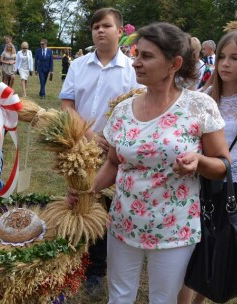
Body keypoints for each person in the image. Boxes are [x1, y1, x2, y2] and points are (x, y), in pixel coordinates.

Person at [73, 22, 229, 303]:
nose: (135, 63)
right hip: (123, 222)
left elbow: (222, 165)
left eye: (146, 56)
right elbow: (112, 163)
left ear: (174, 64)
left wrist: (199, 161)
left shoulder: (198, 106)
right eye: (136, 55)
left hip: (174, 229)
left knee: (163, 299)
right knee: (119, 297)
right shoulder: (122, 109)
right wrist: (88, 189)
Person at [179, 30, 237, 304]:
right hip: (197, 179)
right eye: (221, 56)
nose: (225, 64)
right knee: (192, 243)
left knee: (219, 246)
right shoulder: (203, 95)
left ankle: (200, 299)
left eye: (235, 58)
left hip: (233, 184)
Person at [60, 7, 142, 297]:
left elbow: (138, 109)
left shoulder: (132, 69)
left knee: (104, 210)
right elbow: (67, 104)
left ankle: (96, 269)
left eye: (106, 26)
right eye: (95, 26)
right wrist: (87, 135)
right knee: (77, 203)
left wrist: (110, 141)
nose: (99, 30)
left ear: (121, 32)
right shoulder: (79, 65)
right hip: (78, 149)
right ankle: (71, 263)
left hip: (113, 152)